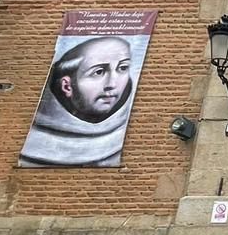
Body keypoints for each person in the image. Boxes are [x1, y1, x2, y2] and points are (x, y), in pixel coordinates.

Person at [18, 36, 138, 167]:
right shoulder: (35, 139)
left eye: (123, 68)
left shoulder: (124, 130)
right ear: (67, 86)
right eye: (98, 72)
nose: (112, 84)